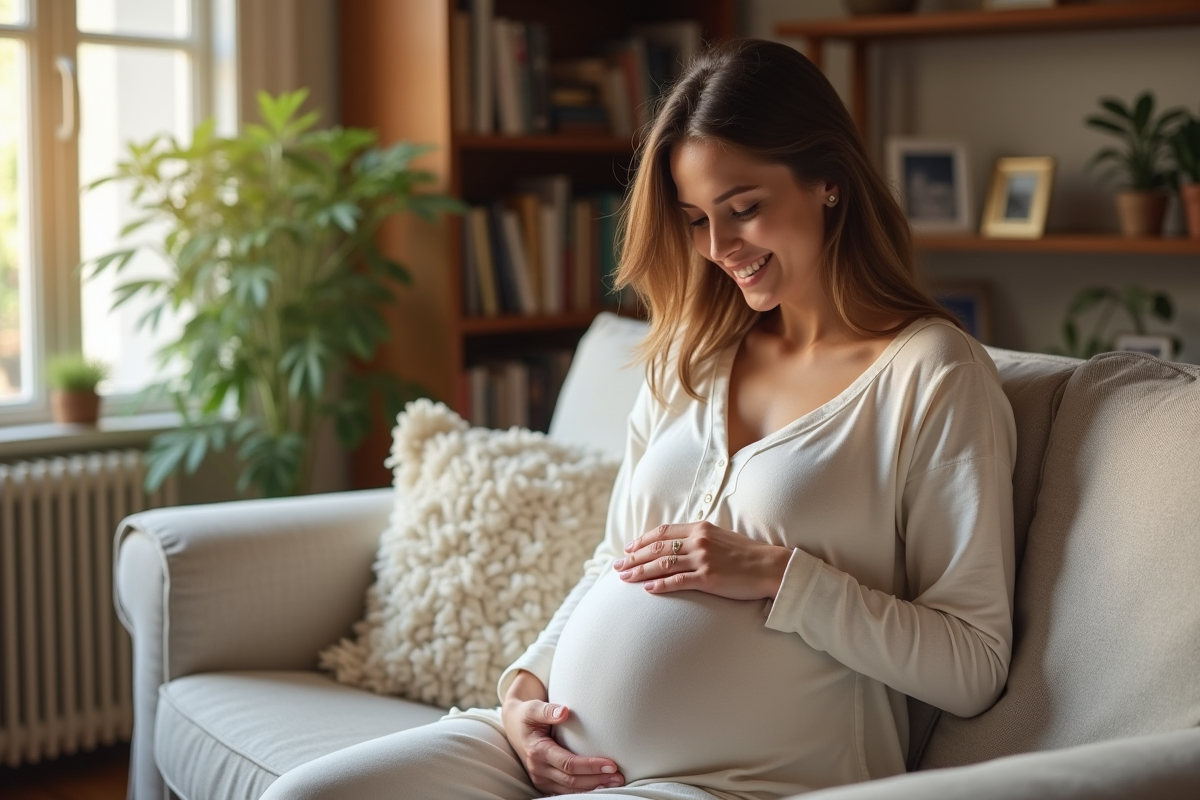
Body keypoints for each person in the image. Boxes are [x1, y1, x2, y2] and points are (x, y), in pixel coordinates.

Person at [261, 38, 1016, 800]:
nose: (719, 247)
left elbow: (973, 667)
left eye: (744, 209)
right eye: (695, 219)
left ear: (829, 181)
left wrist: (778, 576)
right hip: (550, 750)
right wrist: (524, 692)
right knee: (306, 796)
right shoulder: (693, 354)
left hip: (738, 782)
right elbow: (614, 562)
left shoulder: (932, 374)